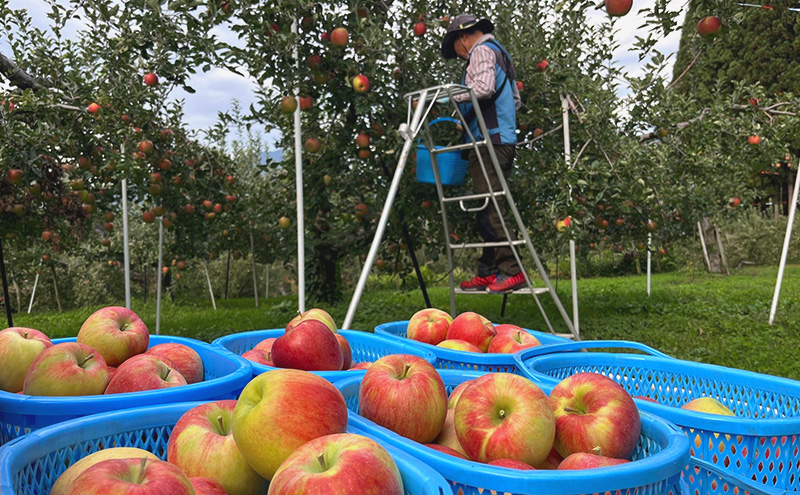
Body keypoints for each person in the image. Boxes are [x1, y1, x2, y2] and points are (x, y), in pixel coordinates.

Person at [440, 14, 525, 294]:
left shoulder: (481, 52)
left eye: (456, 48)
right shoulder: (501, 54)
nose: (459, 55)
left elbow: (484, 88)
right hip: (501, 139)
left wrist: (449, 96)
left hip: (489, 141)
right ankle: (489, 269)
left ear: (462, 38)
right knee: (485, 203)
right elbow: (515, 100)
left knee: (490, 206)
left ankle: (513, 270)